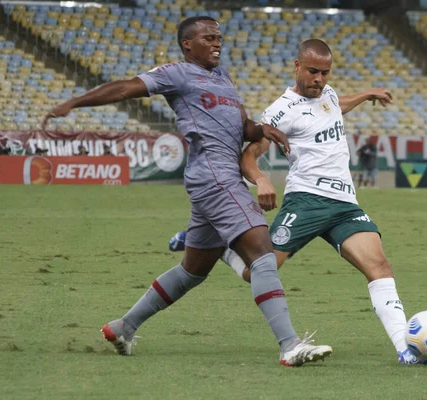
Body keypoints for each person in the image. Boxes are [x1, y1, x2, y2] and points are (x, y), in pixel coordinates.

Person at [42, 16, 332, 366]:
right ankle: (290, 345)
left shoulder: (222, 78)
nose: (216, 44)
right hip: (214, 174)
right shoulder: (176, 73)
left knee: (192, 270)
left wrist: (262, 130)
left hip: (215, 177)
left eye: (218, 38)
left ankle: (123, 326)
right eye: (208, 38)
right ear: (187, 44)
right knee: (261, 251)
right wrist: (74, 103)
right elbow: (123, 88)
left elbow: (242, 126)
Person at [169, 39, 427, 365]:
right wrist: (262, 179)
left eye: (325, 72)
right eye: (313, 71)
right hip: (305, 200)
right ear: (297, 67)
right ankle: (218, 248)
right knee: (259, 270)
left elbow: (335, 106)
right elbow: (248, 157)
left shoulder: (329, 94)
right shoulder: (280, 111)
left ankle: (405, 348)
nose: (319, 79)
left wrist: (366, 95)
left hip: (345, 204)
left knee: (379, 267)